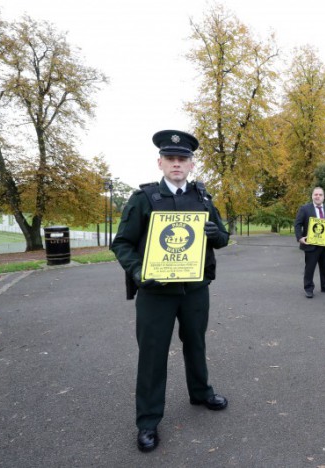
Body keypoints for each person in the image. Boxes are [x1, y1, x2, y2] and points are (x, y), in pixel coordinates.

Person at [111, 130, 230, 452]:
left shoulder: (203, 198)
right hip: (156, 292)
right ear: (160, 162)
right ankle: (148, 421)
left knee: (196, 343)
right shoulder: (144, 198)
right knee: (152, 355)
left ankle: (201, 392)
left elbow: (223, 238)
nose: (177, 164)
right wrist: (137, 271)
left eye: (183, 159)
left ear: (192, 164)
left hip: (194, 290)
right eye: (171, 159)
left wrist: (214, 232)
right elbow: (121, 243)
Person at [294, 186, 325, 298]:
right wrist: (300, 237)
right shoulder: (305, 209)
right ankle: (308, 288)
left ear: (323, 197)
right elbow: (297, 224)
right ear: (312, 196)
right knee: (310, 268)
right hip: (311, 244)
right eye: (315, 194)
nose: (318, 196)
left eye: (320, 194)